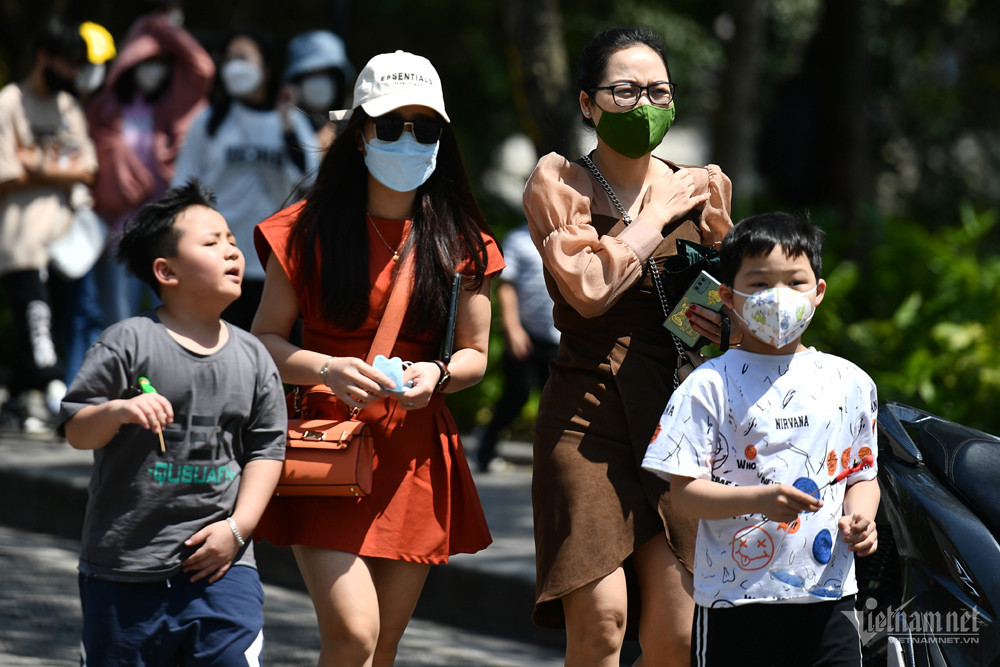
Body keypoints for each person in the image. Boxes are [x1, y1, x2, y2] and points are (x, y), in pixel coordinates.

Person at [250, 49, 503, 666]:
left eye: (426, 129)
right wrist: (327, 368)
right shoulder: (303, 230)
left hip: (413, 453)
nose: (408, 141)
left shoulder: (463, 241)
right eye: (390, 126)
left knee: (382, 645)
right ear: (359, 134)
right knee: (354, 633)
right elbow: (264, 343)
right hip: (326, 441)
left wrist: (437, 374)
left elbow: (474, 354)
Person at [523, 26, 738, 665]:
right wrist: (655, 215)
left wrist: (722, 315)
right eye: (624, 91)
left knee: (676, 635)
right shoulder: (561, 182)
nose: (644, 104)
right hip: (584, 420)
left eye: (658, 91)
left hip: (675, 424)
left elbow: (725, 304)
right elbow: (589, 290)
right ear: (587, 104)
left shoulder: (704, 188)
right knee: (602, 623)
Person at [59, 180, 286, 665]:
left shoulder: (254, 356)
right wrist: (118, 411)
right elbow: (77, 428)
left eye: (231, 240)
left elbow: (268, 451)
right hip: (124, 569)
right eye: (212, 242)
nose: (232, 251)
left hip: (223, 568)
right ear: (166, 271)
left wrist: (239, 529)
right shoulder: (128, 341)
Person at [641, 212, 880, 666]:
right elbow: (684, 496)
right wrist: (761, 499)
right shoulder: (707, 385)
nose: (779, 297)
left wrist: (861, 518)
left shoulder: (850, 382)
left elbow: (861, 476)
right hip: (735, 603)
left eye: (795, 282)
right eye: (759, 283)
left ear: (819, 291)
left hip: (829, 597)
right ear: (728, 297)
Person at [172, 28, 320, 332]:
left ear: (266, 68)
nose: (233, 67)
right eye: (228, 59)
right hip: (218, 263)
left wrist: (287, 127)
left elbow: (311, 179)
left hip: (276, 262)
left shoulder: (291, 120)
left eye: (243, 58)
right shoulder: (209, 121)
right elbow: (182, 186)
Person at [87, 8, 214, 326]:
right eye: (146, 61)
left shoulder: (173, 107)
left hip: (165, 232)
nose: (154, 70)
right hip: (120, 233)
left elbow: (202, 68)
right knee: (120, 322)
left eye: (161, 63)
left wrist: (162, 27)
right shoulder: (106, 108)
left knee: (173, 322)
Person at [0, 17, 97, 435]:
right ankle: (52, 394)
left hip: (66, 241)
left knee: (49, 323)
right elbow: (5, 175)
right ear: (44, 57)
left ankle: (22, 399)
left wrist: (35, 163)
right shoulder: (9, 104)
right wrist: (61, 167)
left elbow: (88, 169)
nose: (73, 73)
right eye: (67, 63)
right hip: (20, 238)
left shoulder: (69, 107)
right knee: (36, 320)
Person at [476, 221, 559, 472]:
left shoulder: (571, 235)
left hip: (560, 337)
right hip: (526, 335)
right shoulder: (518, 238)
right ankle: (485, 451)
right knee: (516, 395)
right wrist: (513, 330)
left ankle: (554, 460)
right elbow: (507, 286)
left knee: (557, 403)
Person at [280, 29, 353, 151]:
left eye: (326, 73)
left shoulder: (353, 123)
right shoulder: (282, 123)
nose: (319, 82)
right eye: (311, 74)